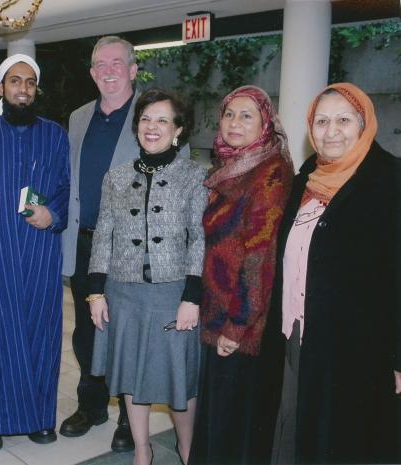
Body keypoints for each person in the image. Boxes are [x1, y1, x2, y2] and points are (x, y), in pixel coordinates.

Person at [268, 82, 400, 464]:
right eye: (322, 121)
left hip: (358, 346)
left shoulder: (390, 181)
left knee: (344, 439)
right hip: (298, 329)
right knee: (297, 427)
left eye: (344, 120)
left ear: (364, 125)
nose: (331, 131)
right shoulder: (308, 175)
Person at [89, 88, 207, 465]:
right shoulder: (116, 177)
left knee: (178, 380)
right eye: (144, 119)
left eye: (161, 120)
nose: (151, 127)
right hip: (122, 292)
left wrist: (192, 296)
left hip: (172, 294)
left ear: (178, 130)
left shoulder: (195, 177)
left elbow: (200, 237)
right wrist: (95, 293)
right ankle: (142, 450)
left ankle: (188, 449)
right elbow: (103, 234)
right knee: (129, 376)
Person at [0, 53, 70, 451]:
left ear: (35, 88)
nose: (22, 89)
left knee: (41, 332)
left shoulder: (55, 134)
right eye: (14, 81)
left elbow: (64, 188)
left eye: (29, 82)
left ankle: (41, 418)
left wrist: (53, 213)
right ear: (1, 89)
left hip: (41, 250)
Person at [189, 86, 293, 465]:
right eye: (229, 114)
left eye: (247, 115)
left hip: (243, 322)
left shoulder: (271, 172)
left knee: (235, 424)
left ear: (265, 122)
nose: (235, 122)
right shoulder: (232, 167)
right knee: (221, 417)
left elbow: (260, 256)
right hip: (220, 309)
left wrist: (236, 326)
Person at [59, 35, 140, 451]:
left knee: (124, 331)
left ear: (132, 70)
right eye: (100, 64)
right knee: (87, 333)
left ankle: (129, 418)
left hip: (129, 247)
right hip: (83, 243)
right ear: (92, 73)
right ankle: (91, 406)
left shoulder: (149, 114)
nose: (108, 70)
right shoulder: (77, 117)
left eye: (116, 63)